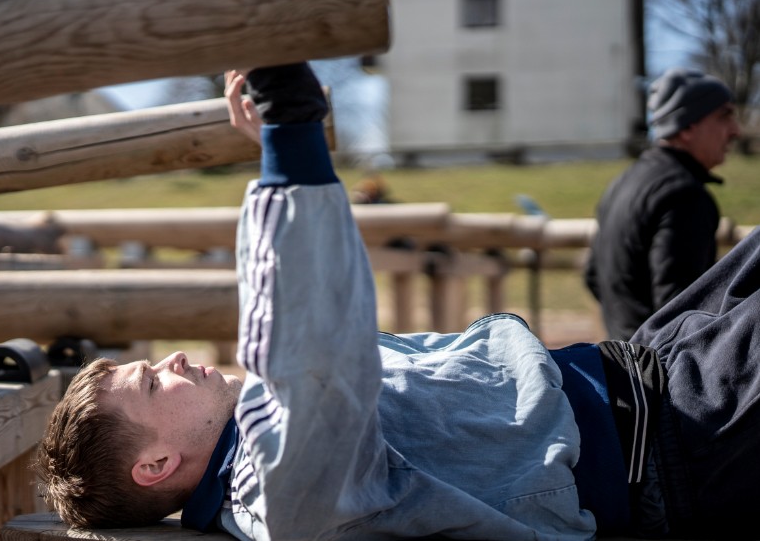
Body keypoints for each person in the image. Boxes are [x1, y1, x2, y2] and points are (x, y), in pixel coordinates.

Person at [37, 63, 760, 540]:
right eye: (151, 382)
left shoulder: (264, 443)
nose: (174, 359)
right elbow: (307, 348)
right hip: (678, 440)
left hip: (655, 367)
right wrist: (290, 134)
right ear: (157, 464)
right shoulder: (279, 493)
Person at [585, 68, 741, 340]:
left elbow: (593, 276)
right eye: (724, 116)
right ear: (688, 126)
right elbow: (680, 311)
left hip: (624, 364)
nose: (735, 131)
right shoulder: (684, 195)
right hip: (662, 374)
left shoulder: (623, 182)